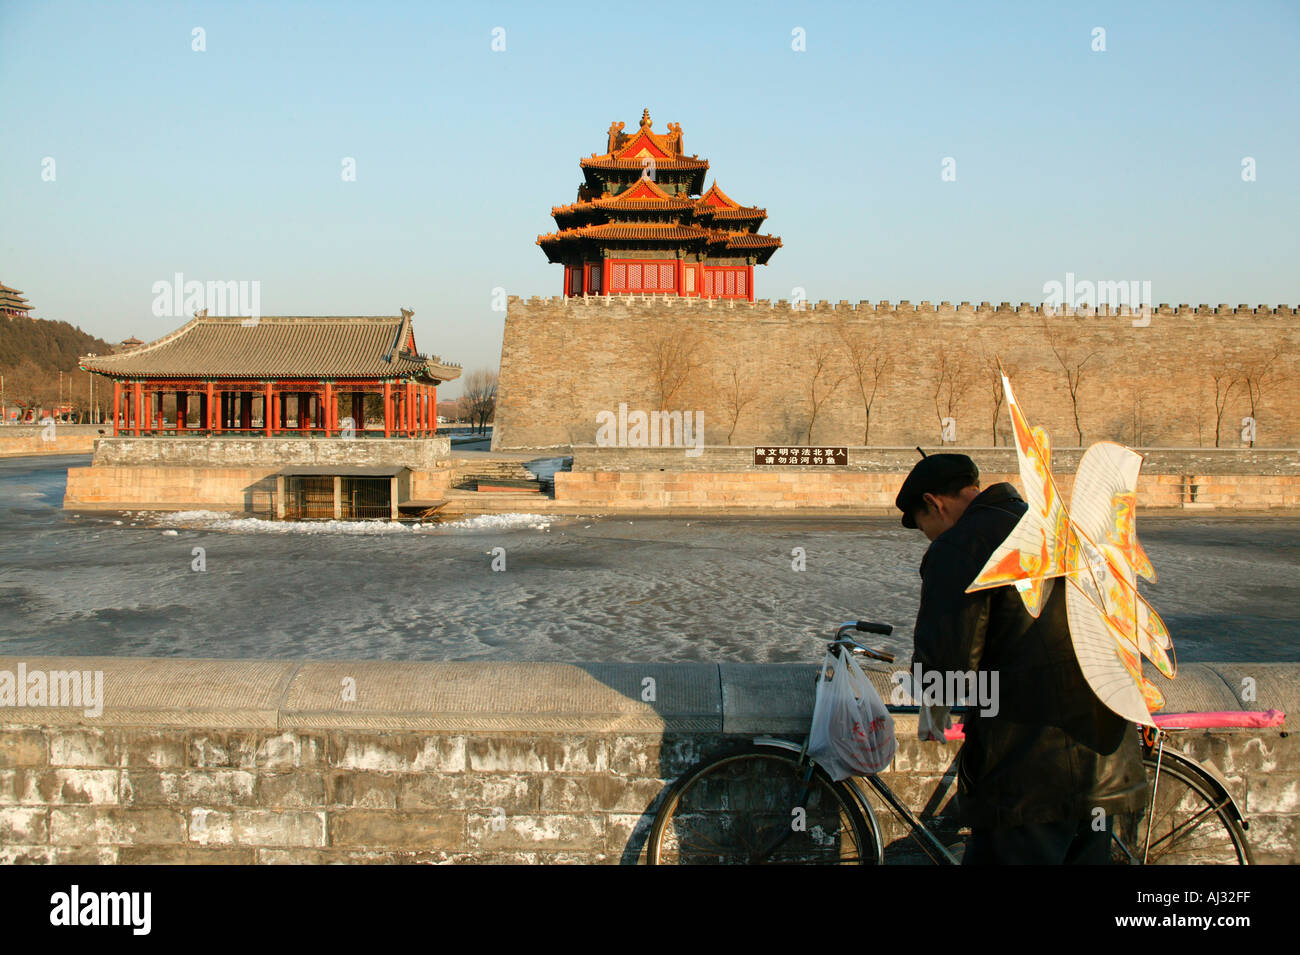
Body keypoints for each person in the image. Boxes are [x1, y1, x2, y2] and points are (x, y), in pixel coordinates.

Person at [894, 451, 1148, 864]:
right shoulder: (1058, 525)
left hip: (1026, 776)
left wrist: (932, 704)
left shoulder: (960, 546)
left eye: (923, 524)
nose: (927, 535)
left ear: (935, 503)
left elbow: (948, 667)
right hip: (1103, 761)